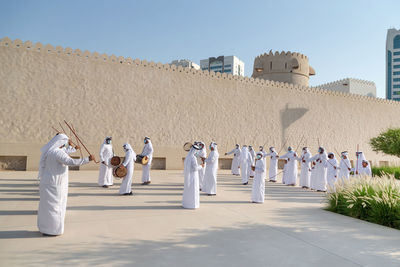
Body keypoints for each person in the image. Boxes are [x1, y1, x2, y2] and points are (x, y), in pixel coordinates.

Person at [37, 134, 94, 236]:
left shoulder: (50, 151)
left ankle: (45, 228)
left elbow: (65, 152)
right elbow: (70, 161)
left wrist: (72, 147)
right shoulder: (57, 153)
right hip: (55, 184)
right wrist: (87, 159)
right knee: (55, 207)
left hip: (47, 183)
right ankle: (53, 230)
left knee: (46, 207)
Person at [182, 144, 203, 209]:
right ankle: (193, 205)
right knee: (193, 190)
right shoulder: (193, 158)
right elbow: (195, 168)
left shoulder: (187, 157)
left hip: (188, 176)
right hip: (193, 177)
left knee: (188, 190)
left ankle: (187, 204)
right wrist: (201, 166)